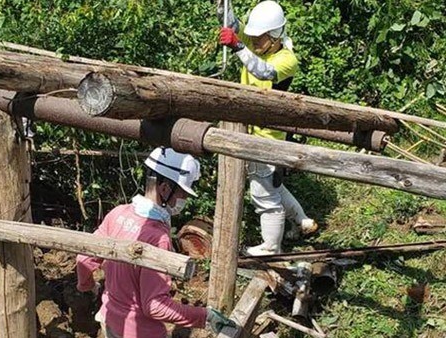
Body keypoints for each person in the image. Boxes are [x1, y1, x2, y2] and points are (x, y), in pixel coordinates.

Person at [76, 147, 234, 338]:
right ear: (165, 189)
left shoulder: (118, 213)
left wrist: (88, 286)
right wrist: (204, 316)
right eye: (182, 194)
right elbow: (155, 306)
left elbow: (84, 258)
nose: (183, 200)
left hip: (110, 321)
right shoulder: (158, 238)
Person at [217, 0, 318, 256]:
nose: (255, 42)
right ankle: (303, 221)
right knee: (271, 184)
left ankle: (271, 246)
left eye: (260, 38)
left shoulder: (286, 59)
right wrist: (222, 8)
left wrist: (238, 45)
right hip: (252, 128)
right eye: (253, 38)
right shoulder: (257, 45)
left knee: (263, 194)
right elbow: (233, 26)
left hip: (268, 134)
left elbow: (263, 72)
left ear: (275, 37)